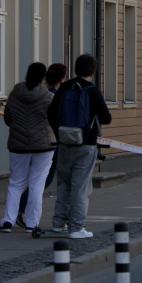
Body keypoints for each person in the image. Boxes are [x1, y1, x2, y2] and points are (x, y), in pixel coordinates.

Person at [48, 54, 112, 239]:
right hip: (86, 144)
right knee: (81, 187)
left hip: (64, 143)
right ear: (93, 71)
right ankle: (76, 227)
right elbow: (106, 118)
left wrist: (61, 131)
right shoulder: (92, 91)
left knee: (64, 185)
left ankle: (58, 223)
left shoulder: (65, 87)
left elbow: (51, 113)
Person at [0, 63, 55, 234]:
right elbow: (53, 119)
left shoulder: (14, 94)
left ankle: (8, 222)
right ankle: (31, 224)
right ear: (43, 78)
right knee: (37, 183)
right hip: (43, 145)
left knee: (15, 182)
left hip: (18, 144)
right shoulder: (48, 97)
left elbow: (8, 119)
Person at [17, 63, 66, 228]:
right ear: (62, 78)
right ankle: (24, 210)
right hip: (51, 142)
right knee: (42, 180)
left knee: (36, 179)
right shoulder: (54, 97)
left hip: (32, 141)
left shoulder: (41, 93)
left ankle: (21, 209)